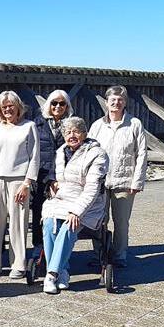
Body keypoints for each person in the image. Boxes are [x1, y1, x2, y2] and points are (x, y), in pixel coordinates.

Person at [41, 117, 108, 294]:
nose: (72, 135)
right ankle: (62, 271)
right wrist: (53, 184)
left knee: (68, 227)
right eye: (68, 132)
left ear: (84, 134)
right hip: (61, 200)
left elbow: (92, 189)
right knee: (48, 225)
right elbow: (56, 178)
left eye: (76, 132)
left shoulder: (97, 154)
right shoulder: (60, 152)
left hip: (88, 205)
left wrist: (76, 212)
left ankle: (51, 274)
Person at [88, 85, 147, 267]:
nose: (116, 103)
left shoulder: (134, 124)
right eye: (112, 99)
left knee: (121, 222)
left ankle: (120, 255)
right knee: (98, 221)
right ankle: (99, 254)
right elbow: (88, 152)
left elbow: (142, 153)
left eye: (120, 99)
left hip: (125, 181)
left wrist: (137, 181)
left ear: (125, 102)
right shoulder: (97, 125)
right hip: (100, 182)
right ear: (106, 103)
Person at [0, 91, 40, 278]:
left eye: (11, 106)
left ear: (18, 107)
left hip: (19, 181)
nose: (7, 109)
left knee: (18, 224)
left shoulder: (29, 126)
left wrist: (27, 183)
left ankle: (18, 264)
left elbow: (34, 157)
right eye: (4, 106)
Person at [32, 90, 73, 251]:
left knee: (62, 212)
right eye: (54, 103)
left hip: (63, 176)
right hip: (41, 175)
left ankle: (59, 248)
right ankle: (38, 246)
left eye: (62, 103)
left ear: (67, 106)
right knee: (38, 211)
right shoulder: (37, 124)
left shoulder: (72, 124)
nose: (58, 106)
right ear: (48, 104)